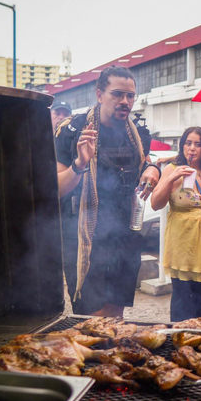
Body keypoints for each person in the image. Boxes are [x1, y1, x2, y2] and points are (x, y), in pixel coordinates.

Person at [54, 66, 160, 317]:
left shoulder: (138, 133)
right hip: (84, 234)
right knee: (91, 318)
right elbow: (56, 188)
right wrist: (79, 165)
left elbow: (146, 162)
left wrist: (154, 168)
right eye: (117, 94)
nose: (125, 101)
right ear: (99, 94)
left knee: (116, 316)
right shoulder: (72, 131)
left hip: (124, 232)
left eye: (130, 96)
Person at [151, 127, 201, 323]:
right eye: (188, 143)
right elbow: (155, 203)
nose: (192, 148)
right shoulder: (172, 169)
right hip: (182, 243)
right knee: (184, 296)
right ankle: (181, 338)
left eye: (198, 144)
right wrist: (172, 179)